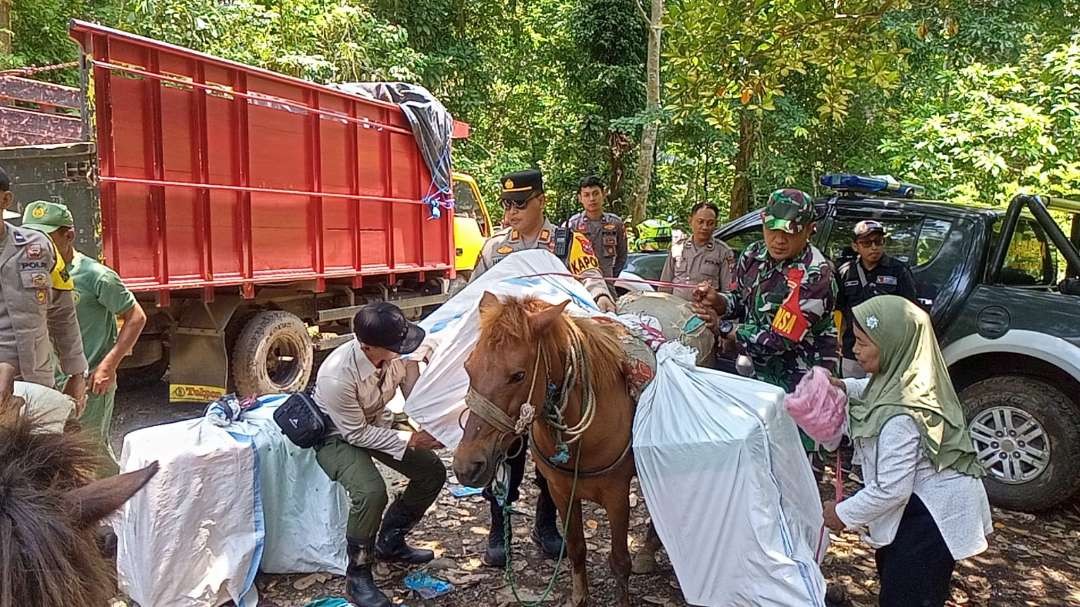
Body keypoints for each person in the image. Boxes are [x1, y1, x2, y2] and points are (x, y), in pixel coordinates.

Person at [471, 168, 616, 568]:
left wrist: (602, 302)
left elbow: (591, 278)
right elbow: (469, 296)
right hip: (509, 369)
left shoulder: (569, 241)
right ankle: (500, 525)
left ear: (541, 201)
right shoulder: (494, 248)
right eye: (506, 203)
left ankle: (546, 522)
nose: (511, 211)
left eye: (520, 203)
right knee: (506, 450)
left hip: (552, 366)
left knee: (555, 446)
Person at [823, 295, 992, 607]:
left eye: (862, 342)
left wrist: (841, 514)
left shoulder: (901, 415)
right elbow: (871, 390)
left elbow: (891, 490)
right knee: (897, 574)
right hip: (918, 504)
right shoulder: (907, 378)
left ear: (892, 345)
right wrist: (843, 386)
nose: (854, 350)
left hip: (930, 515)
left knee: (910, 592)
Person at [312, 302, 446, 607]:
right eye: (397, 345)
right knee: (371, 493)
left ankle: (391, 540)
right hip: (337, 434)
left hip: (375, 422)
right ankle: (357, 576)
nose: (404, 349)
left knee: (432, 472)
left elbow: (414, 389)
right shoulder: (337, 376)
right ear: (368, 347)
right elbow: (355, 434)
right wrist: (412, 439)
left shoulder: (397, 353)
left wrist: (431, 419)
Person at [22, 201, 148, 476]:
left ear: (68, 235)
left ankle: (115, 507)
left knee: (90, 449)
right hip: (48, 381)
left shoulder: (95, 276)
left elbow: (136, 317)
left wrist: (108, 365)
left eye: (47, 236)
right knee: (54, 449)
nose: (38, 243)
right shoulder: (31, 275)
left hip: (91, 382)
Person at [692, 188, 839, 394]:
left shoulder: (815, 274)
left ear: (809, 230)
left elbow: (779, 339)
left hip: (802, 386)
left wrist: (722, 327)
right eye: (772, 229)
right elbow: (741, 300)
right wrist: (718, 301)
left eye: (790, 231)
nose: (779, 239)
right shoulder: (753, 255)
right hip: (755, 377)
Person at [0, 168, 87, 413]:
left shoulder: (37, 247)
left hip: (37, 384)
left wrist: (76, 374)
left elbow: (63, 314)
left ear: (6, 200)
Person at [836, 220, 918, 379]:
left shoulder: (898, 270)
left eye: (878, 242)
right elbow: (839, 310)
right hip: (853, 350)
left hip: (885, 352)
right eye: (866, 243)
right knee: (851, 394)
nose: (874, 247)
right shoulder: (846, 272)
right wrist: (837, 340)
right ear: (855, 246)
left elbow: (909, 310)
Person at [659, 202, 735, 301]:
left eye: (710, 223)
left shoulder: (723, 252)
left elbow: (728, 294)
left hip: (705, 312)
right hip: (677, 309)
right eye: (700, 221)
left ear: (716, 224)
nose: (705, 227)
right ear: (690, 221)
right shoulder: (678, 248)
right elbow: (665, 285)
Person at [565, 175, 628, 279]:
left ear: (603, 194)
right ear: (580, 198)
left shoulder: (615, 223)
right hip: (581, 283)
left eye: (595, 194)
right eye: (586, 195)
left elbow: (622, 256)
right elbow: (565, 258)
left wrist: (611, 277)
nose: (592, 199)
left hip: (607, 282)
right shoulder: (572, 225)